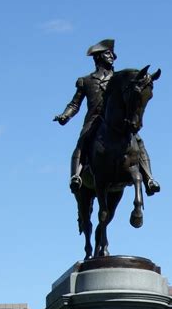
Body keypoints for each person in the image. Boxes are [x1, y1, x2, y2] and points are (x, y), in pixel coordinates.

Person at [54, 39, 160, 196]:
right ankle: (76, 176)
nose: (111, 56)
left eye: (112, 54)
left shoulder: (120, 78)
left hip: (117, 121)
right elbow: (75, 104)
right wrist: (65, 116)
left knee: (138, 140)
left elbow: (135, 87)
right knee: (83, 142)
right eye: (107, 53)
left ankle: (149, 179)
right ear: (98, 57)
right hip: (94, 119)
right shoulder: (86, 81)